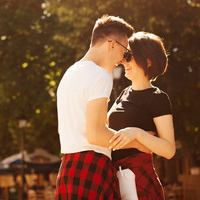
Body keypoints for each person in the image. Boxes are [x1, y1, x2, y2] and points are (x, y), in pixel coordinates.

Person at [56, 15, 149, 199]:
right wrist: (140, 143)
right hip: (92, 166)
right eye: (125, 52)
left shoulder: (69, 74)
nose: (124, 60)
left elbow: (62, 130)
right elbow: (96, 134)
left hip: (68, 167)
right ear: (112, 44)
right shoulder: (100, 75)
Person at [108, 32, 176, 200]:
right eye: (125, 56)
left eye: (129, 56)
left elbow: (169, 150)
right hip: (113, 177)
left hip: (139, 182)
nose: (123, 60)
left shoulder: (158, 98)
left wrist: (137, 133)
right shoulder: (123, 93)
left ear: (148, 61)